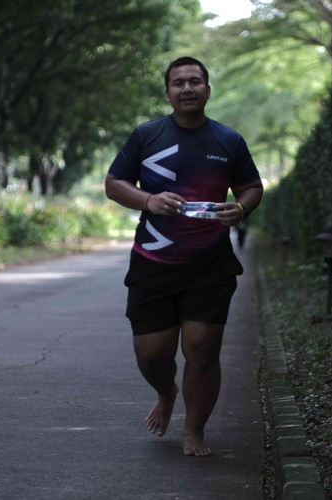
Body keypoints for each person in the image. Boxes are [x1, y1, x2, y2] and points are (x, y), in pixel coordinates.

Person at [105, 56, 264, 457]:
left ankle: (194, 430)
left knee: (202, 350)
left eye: (195, 81)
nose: (187, 88)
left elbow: (252, 186)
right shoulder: (147, 135)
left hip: (210, 264)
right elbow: (114, 183)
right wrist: (149, 200)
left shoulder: (228, 140)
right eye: (179, 83)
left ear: (208, 89)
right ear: (168, 92)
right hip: (153, 261)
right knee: (152, 354)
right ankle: (166, 391)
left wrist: (240, 207)